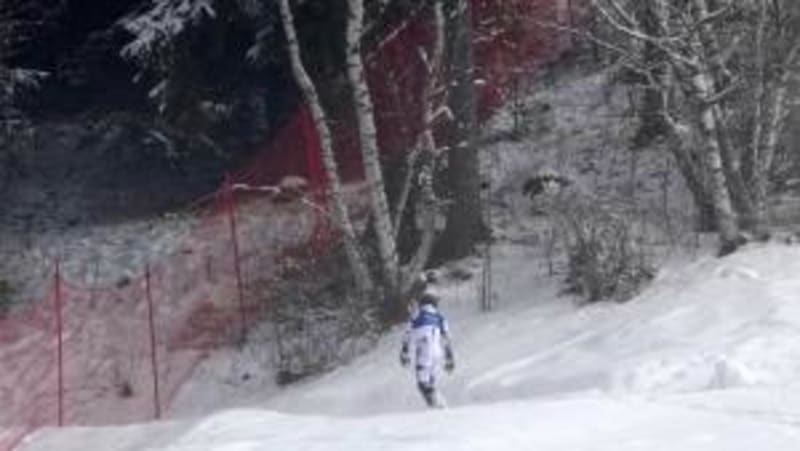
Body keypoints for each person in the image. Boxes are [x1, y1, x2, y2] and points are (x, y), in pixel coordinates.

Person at [399, 281, 455, 408]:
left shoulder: (416, 315)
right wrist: (450, 358)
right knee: (431, 382)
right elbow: (446, 339)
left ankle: (438, 406)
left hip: (424, 350)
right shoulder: (440, 317)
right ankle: (438, 405)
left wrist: (404, 353)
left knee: (422, 384)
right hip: (437, 352)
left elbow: (407, 334)